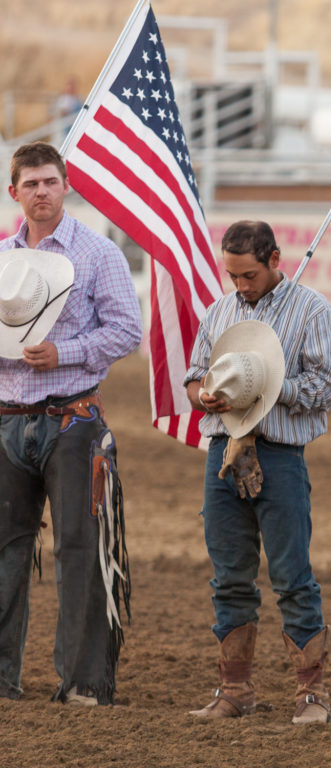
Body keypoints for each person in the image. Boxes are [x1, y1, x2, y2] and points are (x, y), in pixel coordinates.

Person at [0, 140, 142, 705]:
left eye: (49, 181)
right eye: (30, 183)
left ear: (66, 186)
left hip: (73, 420)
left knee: (80, 549)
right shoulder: (2, 259)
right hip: (9, 420)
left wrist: (67, 351)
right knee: (5, 551)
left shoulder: (98, 253)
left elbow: (127, 330)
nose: (41, 191)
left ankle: (83, 682)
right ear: (15, 193)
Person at [183, 220, 331, 725]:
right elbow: (192, 379)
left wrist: (263, 386)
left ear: (275, 259)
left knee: (292, 575)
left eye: (249, 275)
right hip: (224, 450)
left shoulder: (312, 309)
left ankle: (312, 695)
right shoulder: (219, 311)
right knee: (229, 576)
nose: (240, 286)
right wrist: (205, 396)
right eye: (233, 276)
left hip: (280, 454)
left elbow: (323, 389)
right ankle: (234, 689)